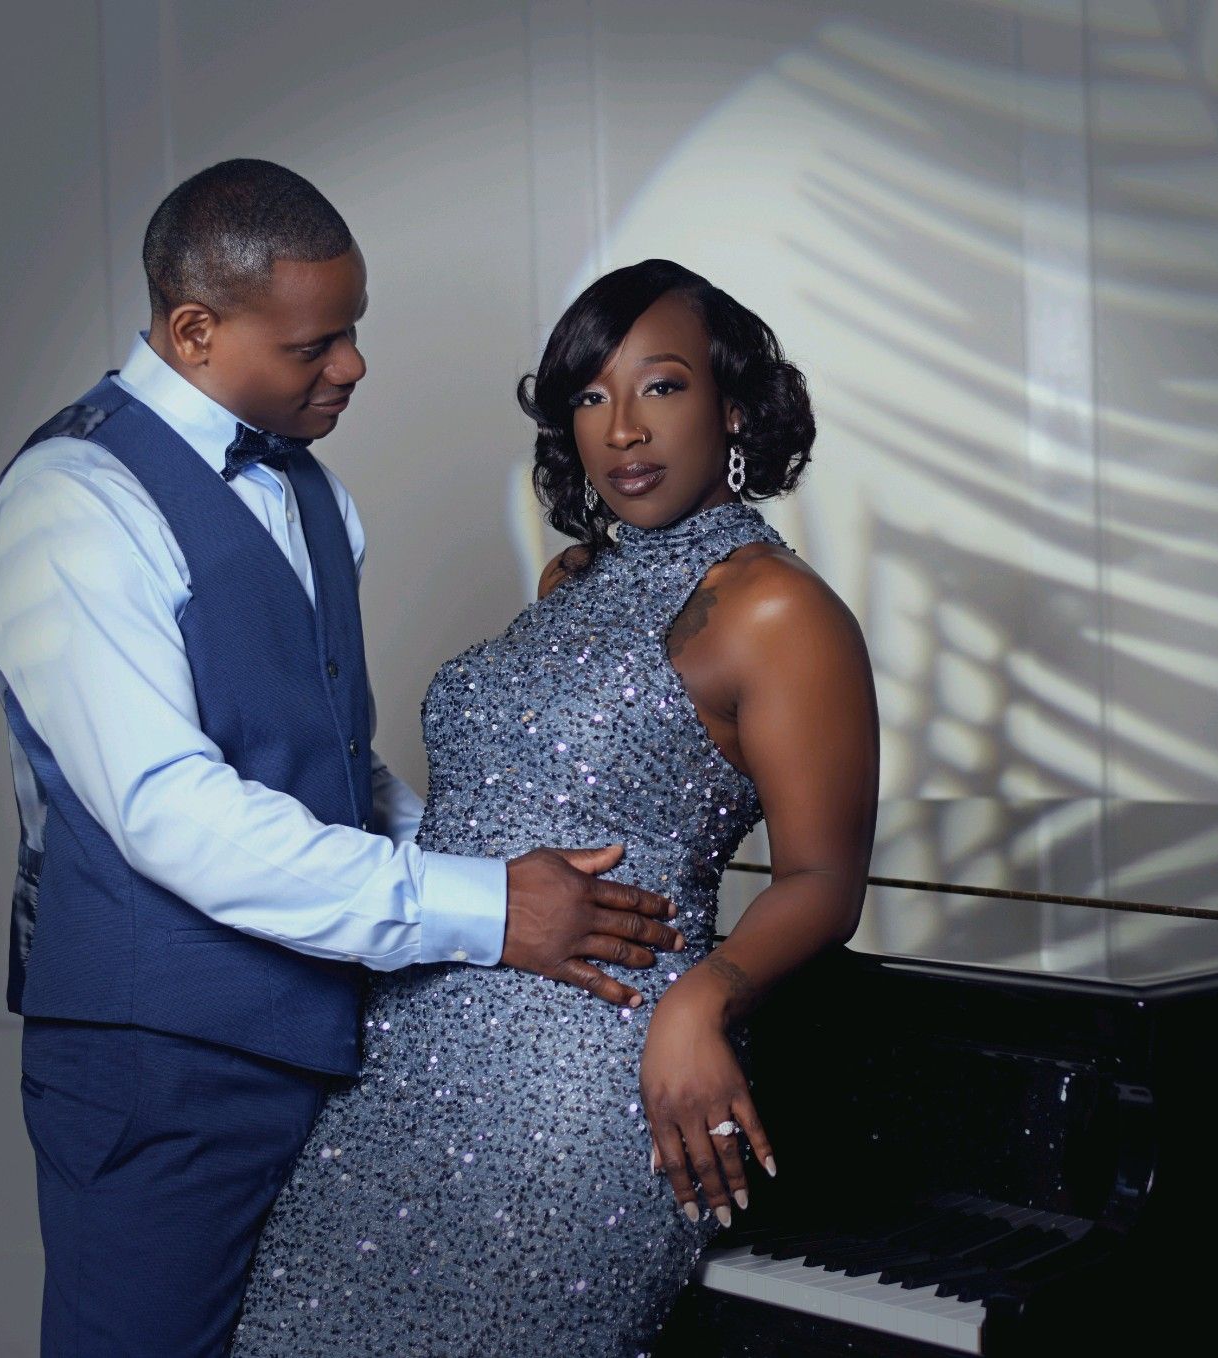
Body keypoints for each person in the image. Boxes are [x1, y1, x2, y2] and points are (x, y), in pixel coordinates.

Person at [0, 161, 683, 1358]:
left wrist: (479, 862)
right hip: (161, 1072)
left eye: (353, 331)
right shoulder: (74, 497)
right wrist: (485, 904)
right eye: (319, 343)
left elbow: (322, 762)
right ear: (195, 330)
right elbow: (173, 814)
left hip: (339, 1041)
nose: (351, 366)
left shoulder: (315, 496)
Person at [230, 258, 880, 1355]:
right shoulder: (568, 582)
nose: (622, 427)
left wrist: (697, 1004)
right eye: (590, 395)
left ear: (731, 404)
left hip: (587, 1092)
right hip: (404, 1076)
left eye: (661, 387)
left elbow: (824, 879)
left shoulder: (777, 608)